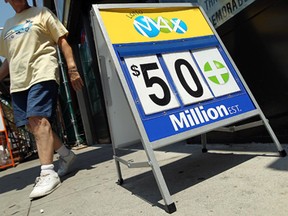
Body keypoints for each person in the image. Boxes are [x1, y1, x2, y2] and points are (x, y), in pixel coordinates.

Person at [0, 0, 84, 199]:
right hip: (19, 82)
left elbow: (62, 40)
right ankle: (66, 155)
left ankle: (48, 172)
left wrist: (72, 69)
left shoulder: (41, 13)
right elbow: (9, 60)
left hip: (42, 72)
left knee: (38, 118)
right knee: (33, 125)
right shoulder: (8, 24)